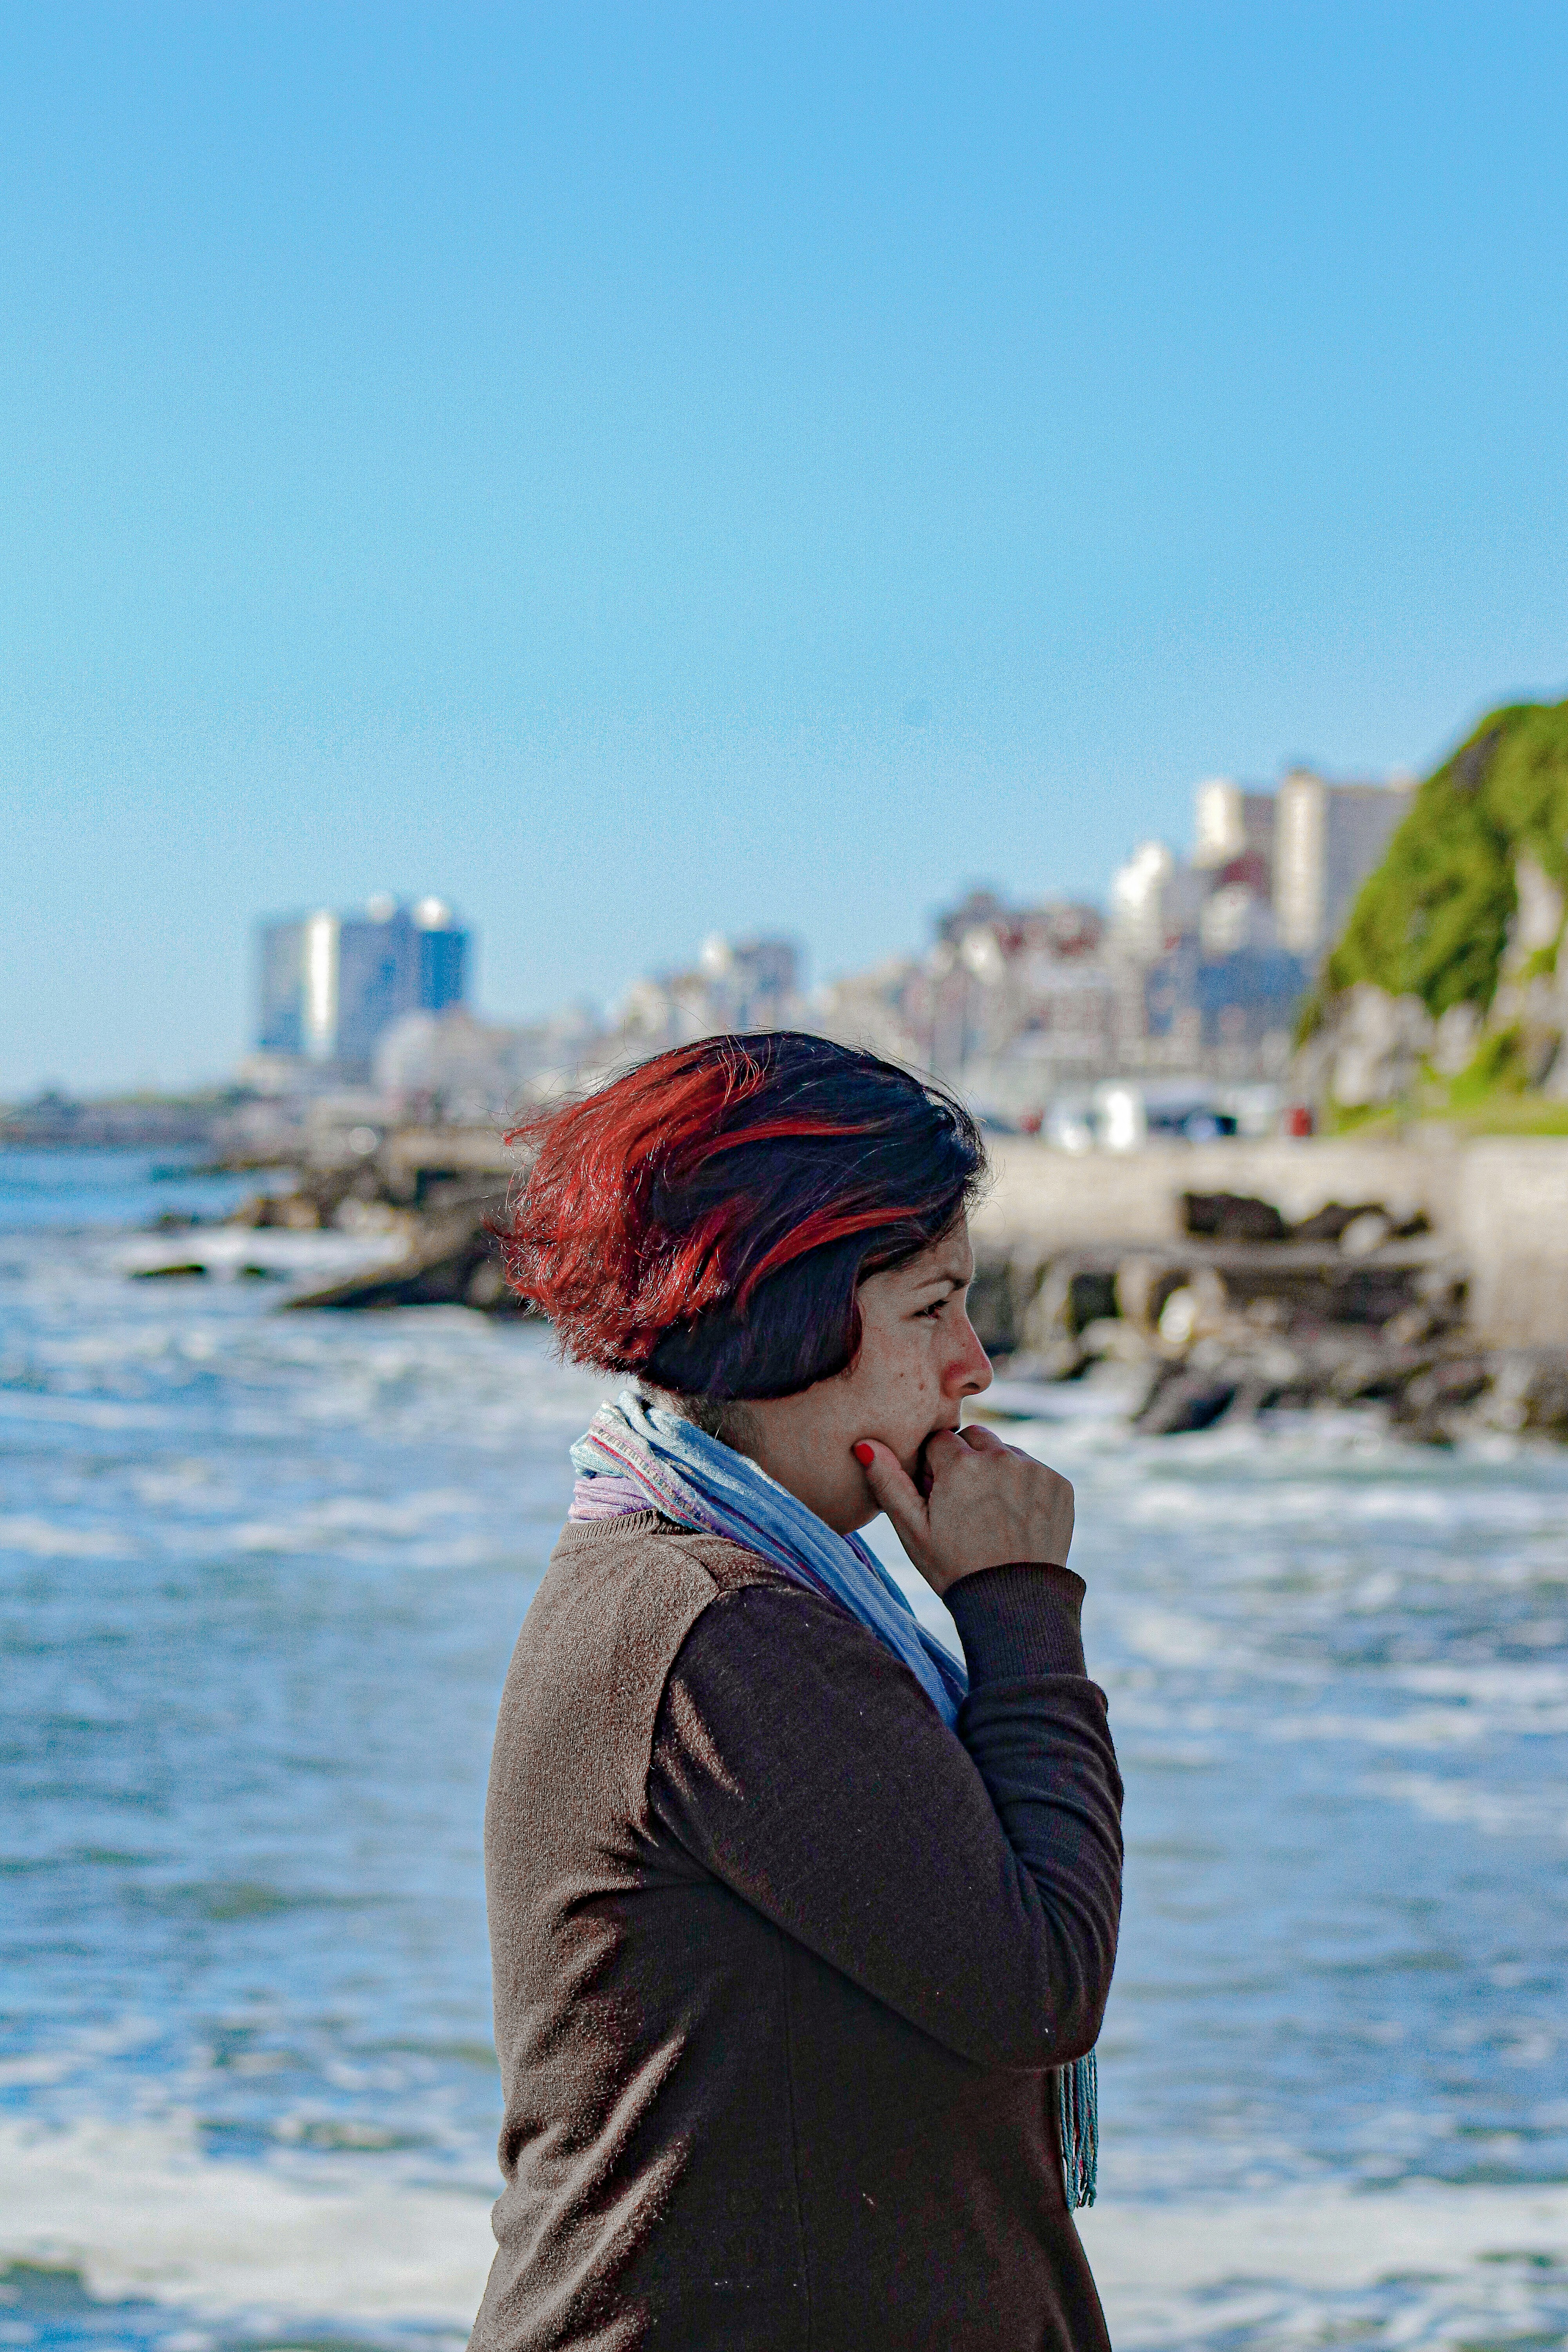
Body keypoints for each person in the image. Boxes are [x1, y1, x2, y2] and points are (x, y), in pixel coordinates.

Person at [471, 1032, 1123, 2352]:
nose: (973, 1365)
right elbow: (1038, 1988)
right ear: (795, 1304)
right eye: (934, 1304)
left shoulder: (706, 1586)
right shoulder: (721, 1626)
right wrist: (1018, 1607)